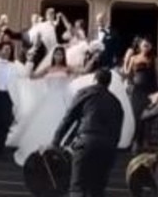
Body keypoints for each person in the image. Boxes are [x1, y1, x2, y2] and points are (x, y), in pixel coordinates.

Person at [52, 67, 124, 197]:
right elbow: (117, 132)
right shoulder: (116, 102)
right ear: (109, 83)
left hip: (86, 143)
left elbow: (69, 118)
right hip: (107, 147)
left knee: (77, 187)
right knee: (97, 189)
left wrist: (55, 142)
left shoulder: (85, 93)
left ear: (94, 79)